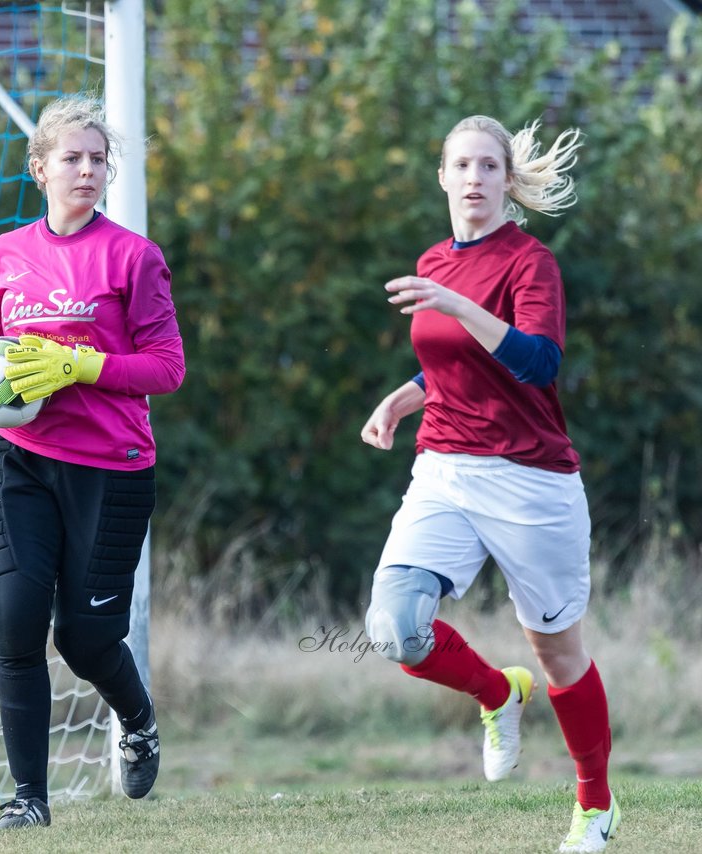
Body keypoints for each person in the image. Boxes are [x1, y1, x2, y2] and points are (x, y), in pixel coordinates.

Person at [360, 115, 618, 853]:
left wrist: (457, 305)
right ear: (442, 177)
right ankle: (496, 693)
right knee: (397, 630)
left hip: (532, 480)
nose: (474, 178)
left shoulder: (530, 262)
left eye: (488, 167)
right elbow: (447, 366)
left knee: (560, 654)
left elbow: (537, 364)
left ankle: (595, 808)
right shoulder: (433, 260)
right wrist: (399, 400)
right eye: (461, 165)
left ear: (508, 182)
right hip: (444, 466)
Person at [0, 94, 185, 830]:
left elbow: (166, 369)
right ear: (39, 167)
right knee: (14, 622)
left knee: (84, 639)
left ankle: (138, 723)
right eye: (72, 158)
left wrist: (78, 364)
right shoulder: (6, 253)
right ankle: (28, 802)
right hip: (22, 462)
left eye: (98, 159)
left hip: (110, 469)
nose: (87, 170)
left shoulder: (134, 257)